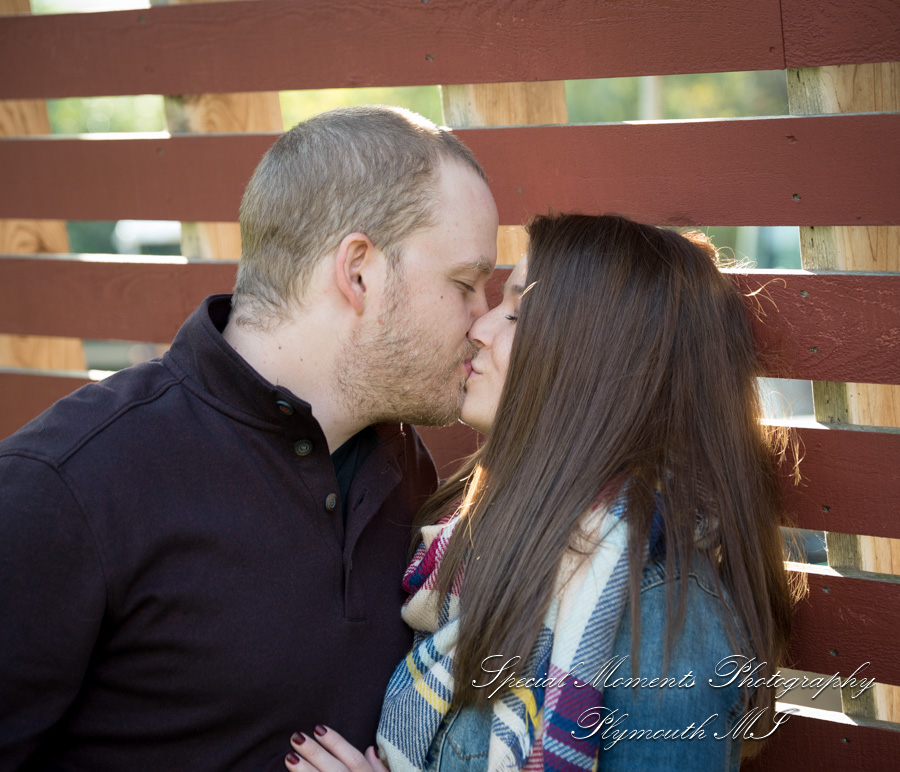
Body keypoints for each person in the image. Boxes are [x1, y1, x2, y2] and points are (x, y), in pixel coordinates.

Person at [0, 106, 499, 770]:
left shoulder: (402, 464)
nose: (483, 320)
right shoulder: (67, 484)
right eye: (465, 284)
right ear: (359, 273)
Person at [283, 213, 802, 772]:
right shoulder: (474, 546)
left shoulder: (659, 616)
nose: (479, 328)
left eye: (517, 312)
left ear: (595, 366)